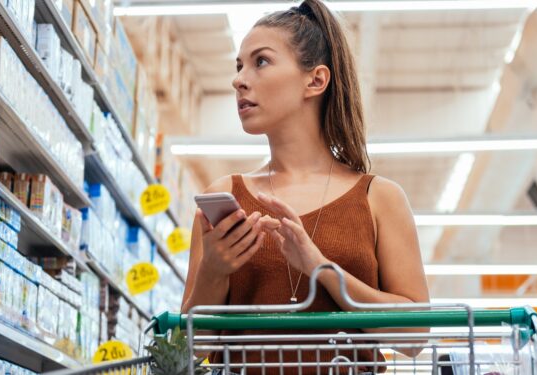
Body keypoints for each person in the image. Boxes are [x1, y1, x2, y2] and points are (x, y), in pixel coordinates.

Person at [181, 0, 430, 373]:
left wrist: (322, 269)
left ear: (315, 80)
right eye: (238, 66)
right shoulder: (228, 195)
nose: (238, 79)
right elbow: (189, 346)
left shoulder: (379, 198)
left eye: (260, 61)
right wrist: (214, 271)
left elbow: (414, 336)